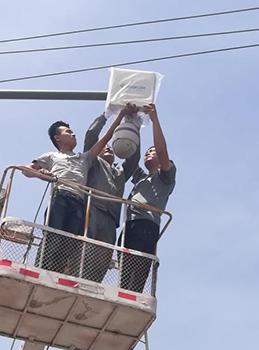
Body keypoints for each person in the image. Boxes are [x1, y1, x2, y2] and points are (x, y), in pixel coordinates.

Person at [24, 111, 129, 274]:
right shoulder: (51, 156)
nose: (73, 134)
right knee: (54, 236)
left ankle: (58, 273)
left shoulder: (84, 158)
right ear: (57, 138)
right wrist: (42, 174)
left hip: (80, 202)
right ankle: (43, 271)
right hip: (61, 196)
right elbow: (27, 170)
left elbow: (105, 138)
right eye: (68, 132)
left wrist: (119, 117)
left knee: (71, 243)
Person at [82, 105, 140, 283]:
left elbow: (134, 158)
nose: (107, 149)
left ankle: (92, 286)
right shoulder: (92, 163)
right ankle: (75, 278)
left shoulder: (120, 173)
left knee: (103, 258)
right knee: (84, 249)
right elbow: (91, 135)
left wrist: (133, 125)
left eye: (110, 148)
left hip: (110, 219)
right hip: (91, 209)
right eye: (104, 147)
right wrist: (107, 115)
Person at [121, 104, 175, 293]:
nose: (148, 153)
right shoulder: (141, 178)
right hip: (130, 225)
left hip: (146, 224)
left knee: (138, 270)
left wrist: (154, 120)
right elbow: (131, 158)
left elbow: (162, 151)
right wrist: (132, 124)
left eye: (151, 152)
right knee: (124, 272)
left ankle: (134, 296)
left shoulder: (165, 177)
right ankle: (125, 295)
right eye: (147, 152)